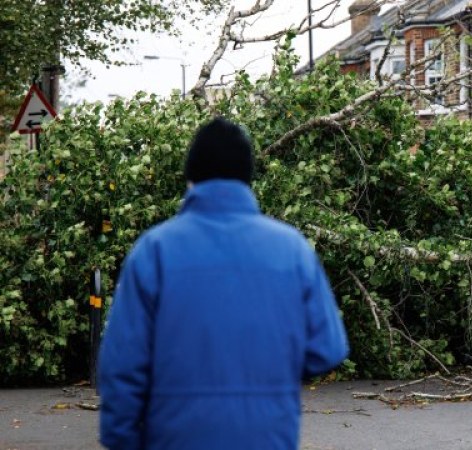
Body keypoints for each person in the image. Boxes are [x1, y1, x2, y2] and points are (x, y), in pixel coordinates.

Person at [98, 117, 349, 450]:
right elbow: (327, 350)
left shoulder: (154, 250)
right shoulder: (292, 249)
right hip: (268, 436)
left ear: (191, 179)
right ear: (248, 179)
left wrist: (122, 439)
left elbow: (122, 365)